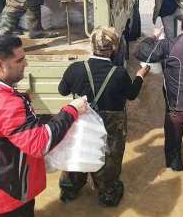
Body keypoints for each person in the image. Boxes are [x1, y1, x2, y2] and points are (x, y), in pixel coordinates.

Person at [0, 35, 87, 216]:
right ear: (0, 65)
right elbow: (40, 144)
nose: (26, 64)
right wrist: (71, 111)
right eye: (20, 60)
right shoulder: (5, 104)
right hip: (6, 192)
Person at [58, 27, 150, 206]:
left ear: (91, 46)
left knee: (77, 151)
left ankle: (70, 190)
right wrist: (140, 76)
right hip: (110, 124)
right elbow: (131, 95)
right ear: (113, 48)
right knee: (109, 158)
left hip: (81, 120)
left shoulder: (75, 68)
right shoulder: (119, 73)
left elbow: (63, 91)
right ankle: (107, 194)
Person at [135, 12, 183, 171]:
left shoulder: (171, 44)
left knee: (173, 148)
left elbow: (141, 52)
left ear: (182, 26)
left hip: (179, 109)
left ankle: (175, 168)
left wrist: (153, 37)